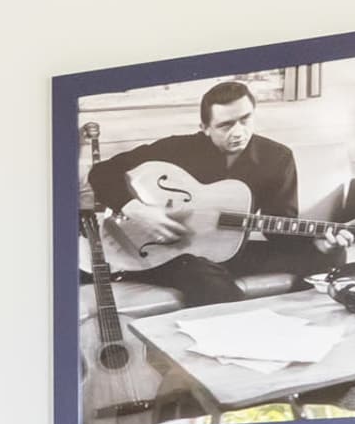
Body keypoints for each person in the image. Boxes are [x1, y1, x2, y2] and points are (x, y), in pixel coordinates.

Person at [88, 79, 309, 306]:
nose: (238, 132)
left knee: (330, 255)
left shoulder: (277, 158)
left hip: (232, 251)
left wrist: (321, 243)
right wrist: (138, 211)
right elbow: (101, 173)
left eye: (245, 119)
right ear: (204, 127)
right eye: (225, 125)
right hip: (169, 254)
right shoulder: (177, 149)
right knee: (209, 282)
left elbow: (282, 233)